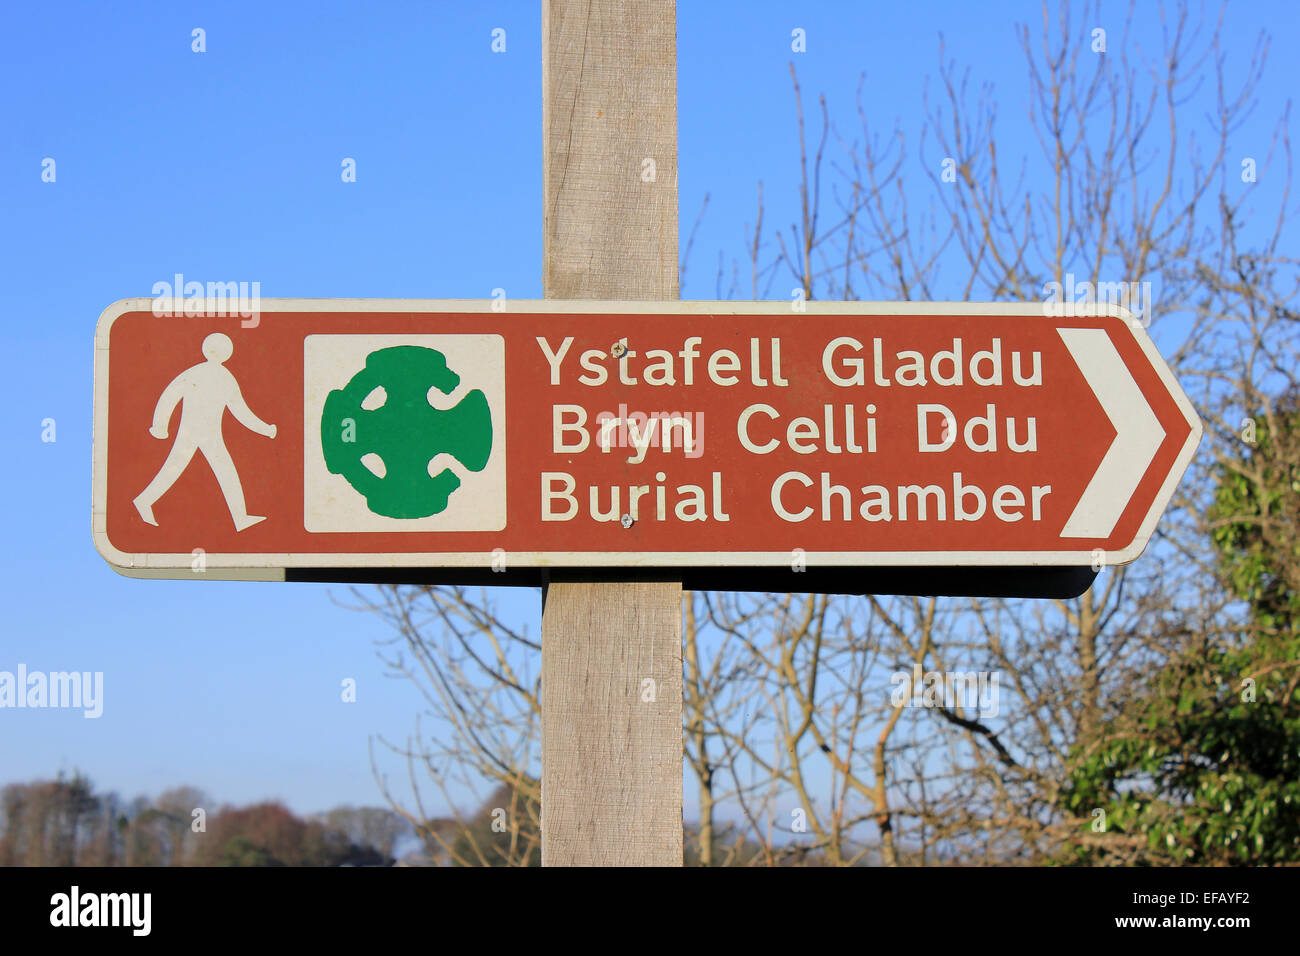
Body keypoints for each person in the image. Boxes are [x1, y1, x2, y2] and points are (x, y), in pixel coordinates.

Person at [133, 332, 276, 531]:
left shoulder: (203, 373)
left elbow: (170, 396)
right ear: (227, 352)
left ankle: (240, 518)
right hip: (193, 433)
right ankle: (143, 501)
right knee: (180, 469)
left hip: (207, 434)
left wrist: (160, 426)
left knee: (214, 470)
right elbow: (241, 412)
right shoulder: (223, 377)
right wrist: (266, 429)